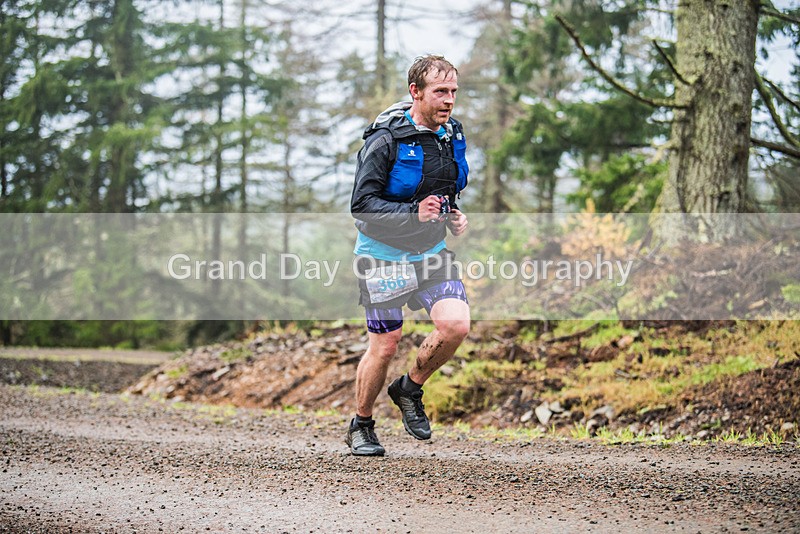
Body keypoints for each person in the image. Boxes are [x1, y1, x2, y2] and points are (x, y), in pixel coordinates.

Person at [346, 55, 471, 456]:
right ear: (415, 92)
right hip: (382, 257)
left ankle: (409, 387)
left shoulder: (451, 135)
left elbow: (445, 186)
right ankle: (361, 424)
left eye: (453, 91)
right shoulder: (384, 140)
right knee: (385, 345)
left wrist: (451, 214)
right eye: (440, 92)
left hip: (431, 252)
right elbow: (361, 205)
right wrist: (412, 213)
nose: (449, 100)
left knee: (456, 327)